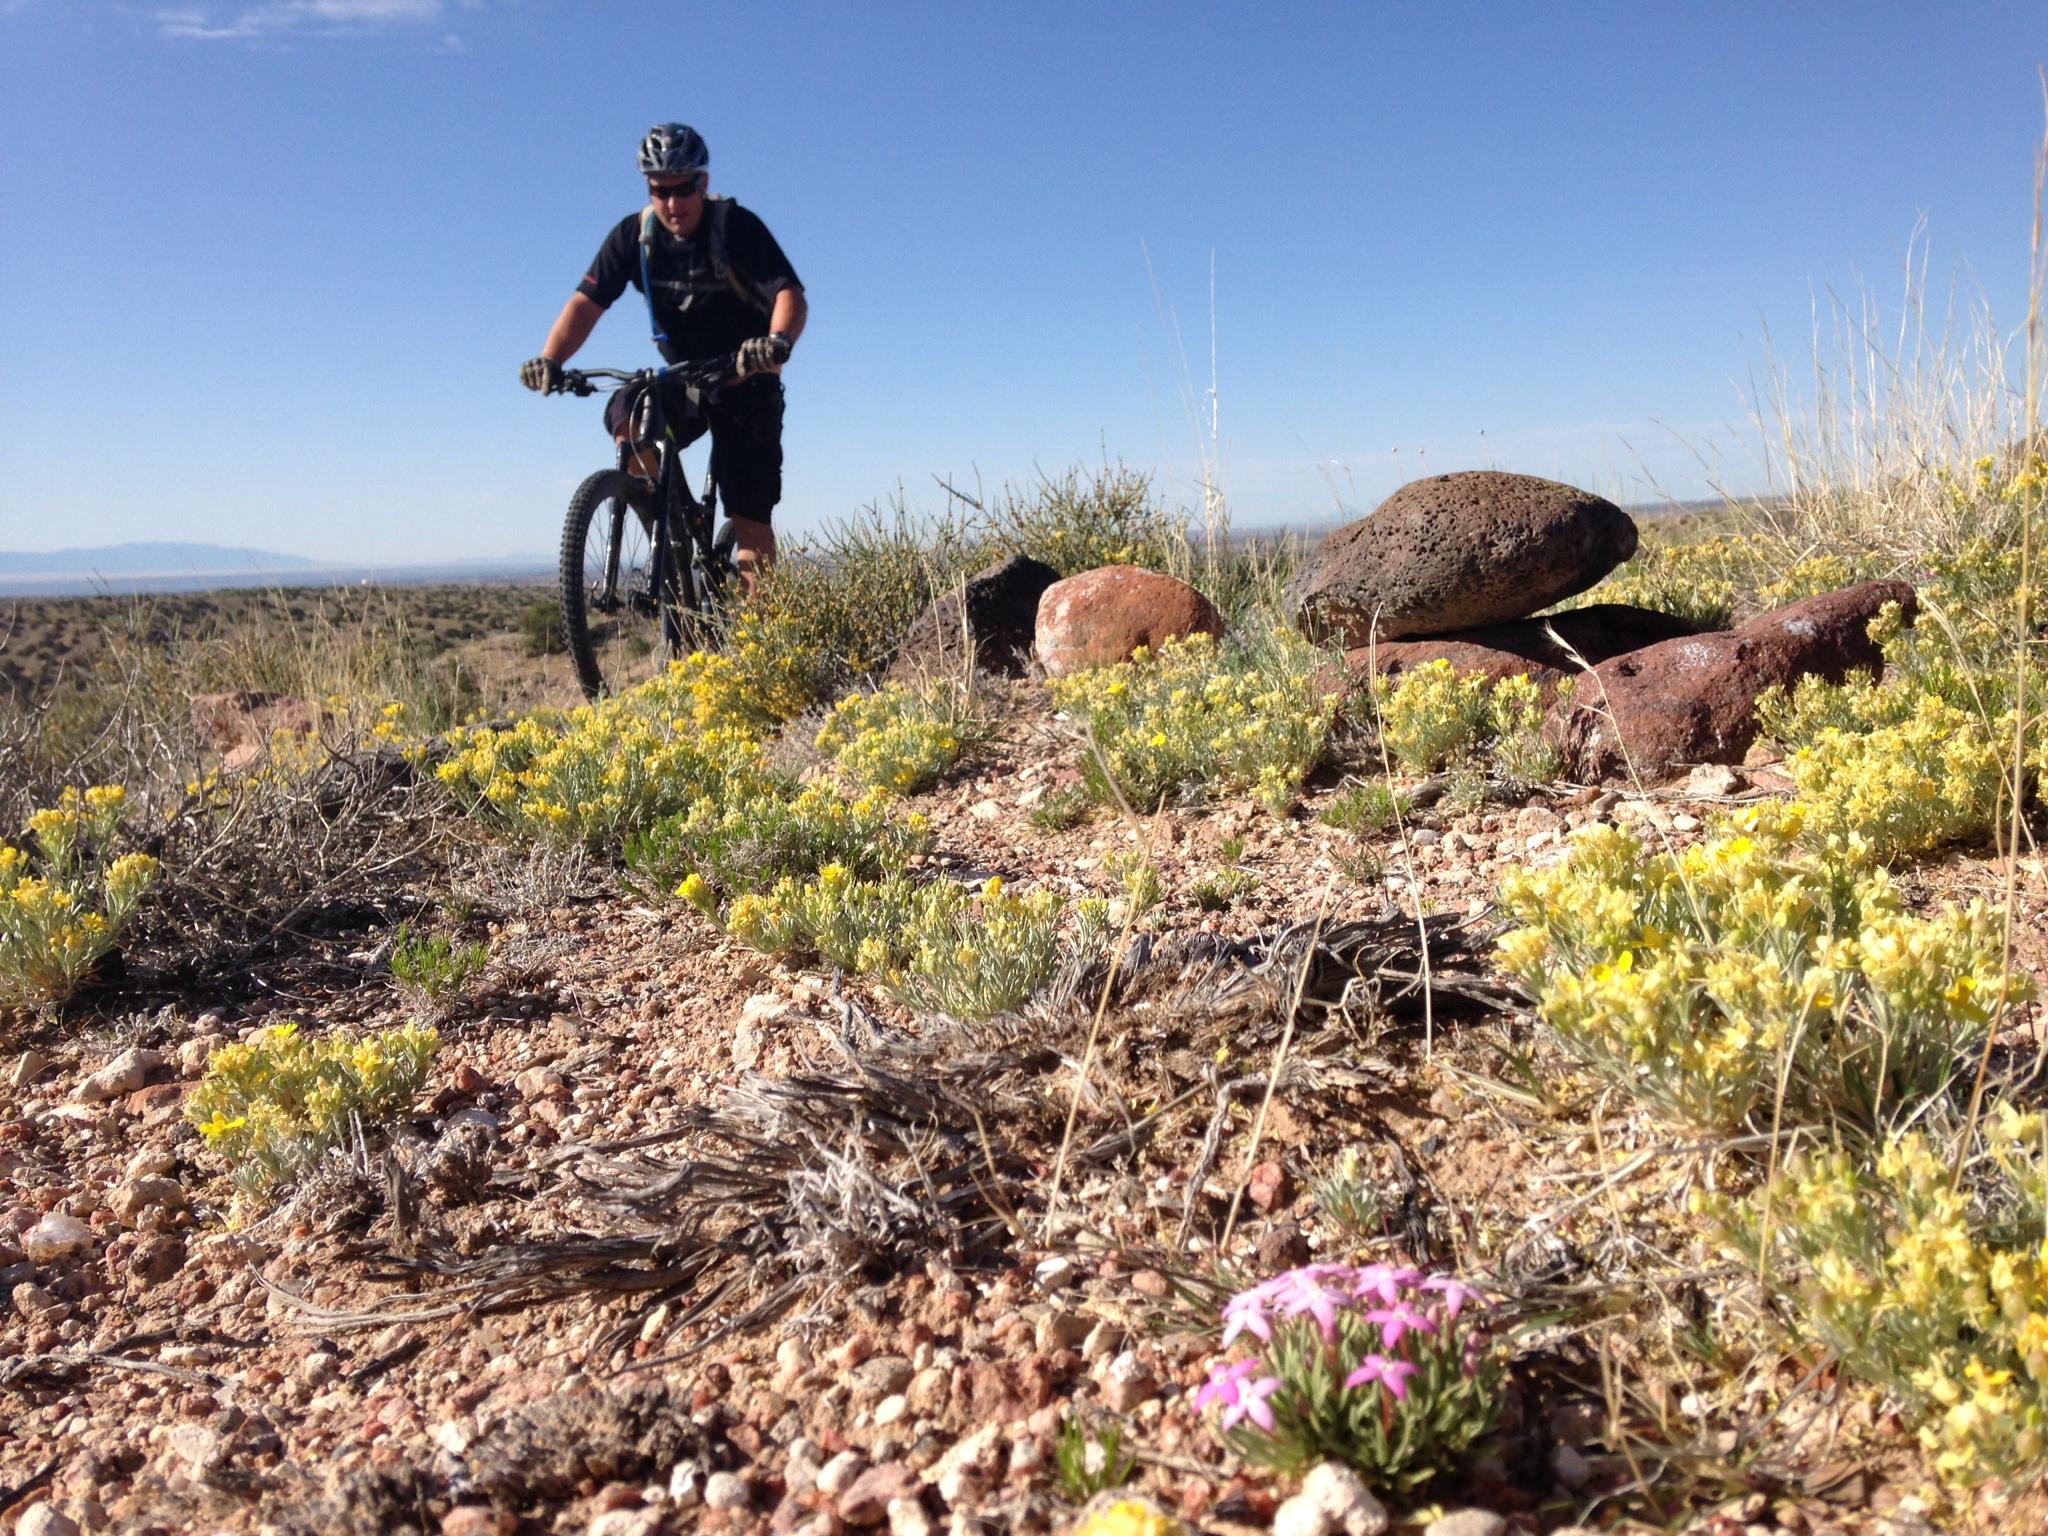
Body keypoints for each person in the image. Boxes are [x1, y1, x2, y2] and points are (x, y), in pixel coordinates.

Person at [520, 122, 807, 596]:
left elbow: (789, 295)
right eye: (660, 190)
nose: (673, 203)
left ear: (704, 183)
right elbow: (584, 306)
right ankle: (665, 511)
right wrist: (549, 359)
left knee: (749, 521)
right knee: (628, 416)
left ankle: (765, 651)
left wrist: (775, 343)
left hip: (744, 379)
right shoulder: (634, 238)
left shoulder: (736, 228)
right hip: (682, 379)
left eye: (684, 188)